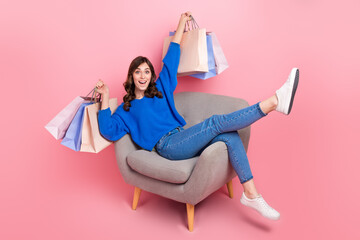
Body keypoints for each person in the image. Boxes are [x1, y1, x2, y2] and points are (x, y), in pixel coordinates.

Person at [95, 11, 299, 221]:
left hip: (181, 137)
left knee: (230, 136)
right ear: (131, 76)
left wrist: (181, 23)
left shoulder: (160, 89)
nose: (143, 76)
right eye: (138, 72)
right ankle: (272, 103)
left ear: (151, 75)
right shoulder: (125, 109)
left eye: (146, 71)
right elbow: (108, 130)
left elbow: (172, 58)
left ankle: (251, 194)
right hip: (167, 146)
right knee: (214, 122)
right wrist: (105, 96)